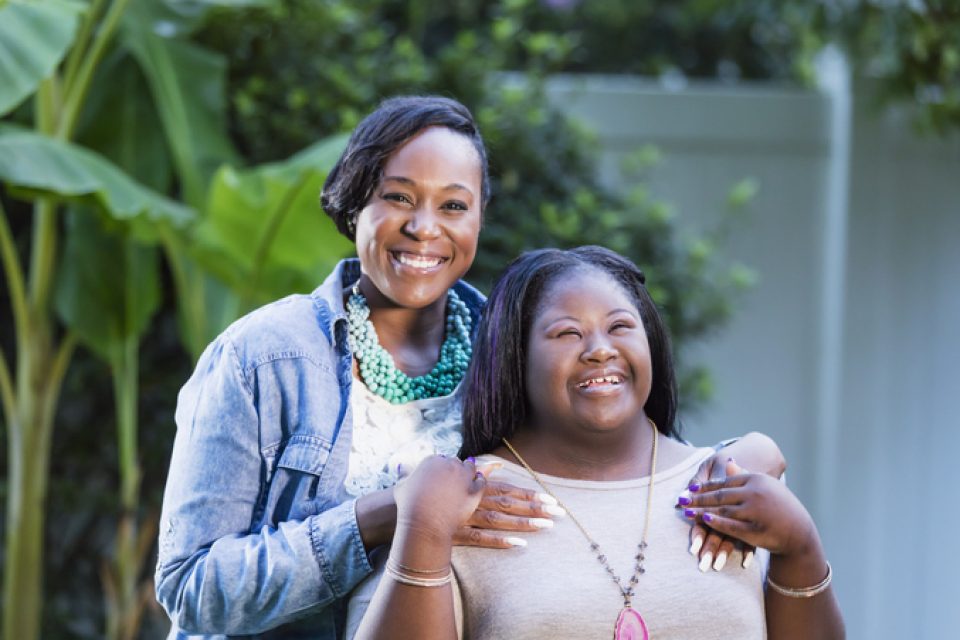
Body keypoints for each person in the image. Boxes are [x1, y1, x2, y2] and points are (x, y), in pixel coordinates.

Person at [155, 96, 787, 639]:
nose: (423, 228)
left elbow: (613, 460)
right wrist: (384, 516)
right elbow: (189, 585)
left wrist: (745, 455)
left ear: (479, 216)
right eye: (397, 197)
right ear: (355, 206)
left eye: (453, 206)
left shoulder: (512, 350)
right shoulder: (264, 357)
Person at [355, 246, 844, 639]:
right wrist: (423, 531)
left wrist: (800, 546)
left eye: (620, 326)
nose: (600, 349)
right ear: (513, 358)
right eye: (567, 333)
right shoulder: (465, 502)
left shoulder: (727, 484)